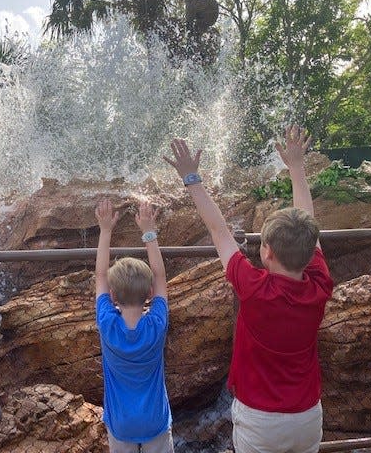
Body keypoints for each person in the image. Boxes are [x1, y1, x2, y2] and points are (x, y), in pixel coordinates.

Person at [164, 126, 334, 453]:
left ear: (266, 252)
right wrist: (297, 168)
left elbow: (218, 230)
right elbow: (307, 221)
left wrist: (191, 178)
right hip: (307, 416)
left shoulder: (254, 288)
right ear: (310, 252)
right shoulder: (318, 284)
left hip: (261, 421)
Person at [95, 199, 174, 453]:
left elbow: (100, 275)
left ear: (113, 297)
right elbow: (160, 275)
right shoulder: (157, 324)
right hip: (155, 422)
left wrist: (105, 230)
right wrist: (148, 232)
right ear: (150, 293)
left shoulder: (108, 323)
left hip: (121, 425)